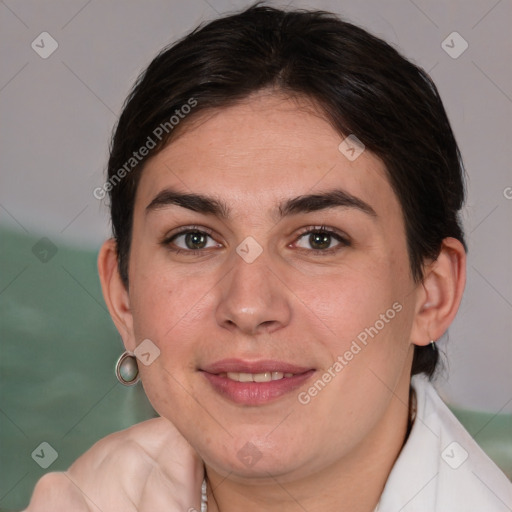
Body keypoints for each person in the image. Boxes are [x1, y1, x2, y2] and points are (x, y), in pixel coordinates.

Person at [25, 3, 512, 511]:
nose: (249, 305)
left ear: (431, 294)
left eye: (319, 239)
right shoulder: (84, 497)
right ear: (123, 298)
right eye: (194, 239)